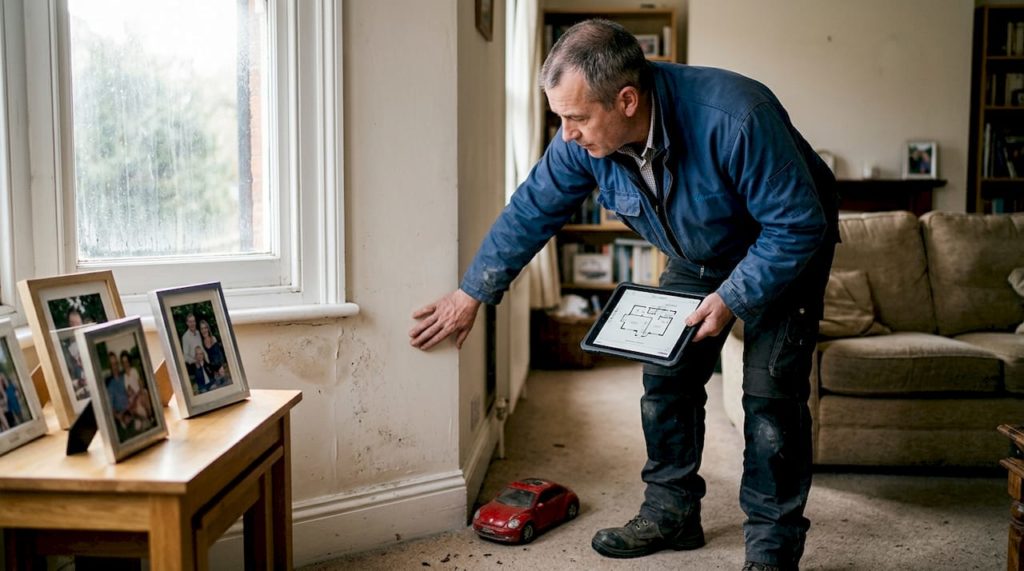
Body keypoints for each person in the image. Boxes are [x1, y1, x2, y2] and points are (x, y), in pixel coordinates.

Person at [408, 20, 838, 571]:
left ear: (627, 101)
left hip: (786, 247)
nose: (566, 133)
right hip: (697, 254)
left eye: (576, 118)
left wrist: (733, 296)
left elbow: (799, 224)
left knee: (770, 398)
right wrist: (471, 294)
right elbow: (532, 208)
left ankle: (773, 546)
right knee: (665, 379)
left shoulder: (737, 116)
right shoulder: (583, 143)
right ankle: (672, 512)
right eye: (558, 116)